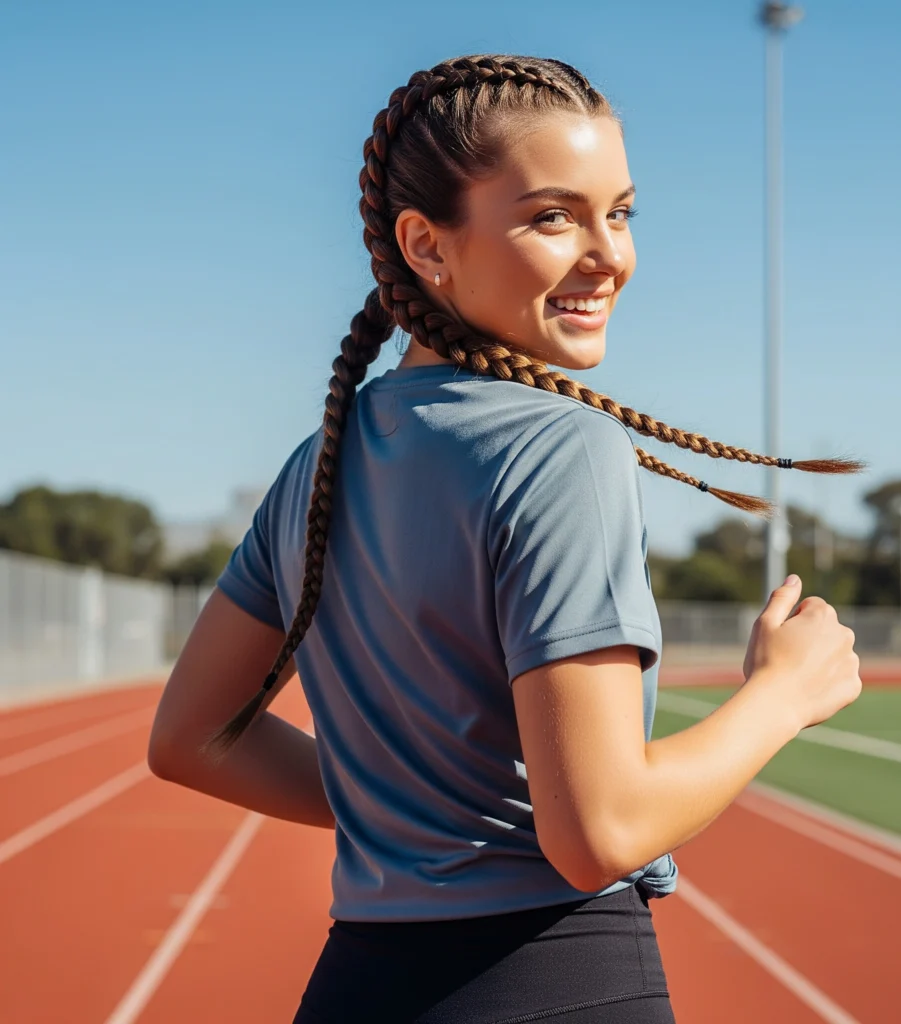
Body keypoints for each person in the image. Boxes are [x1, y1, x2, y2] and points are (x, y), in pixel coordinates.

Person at [147, 54, 863, 1023]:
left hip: (355, 986)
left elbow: (190, 739)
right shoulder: (561, 448)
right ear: (425, 245)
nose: (609, 253)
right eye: (553, 216)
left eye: (622, 212)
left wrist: (407, 814)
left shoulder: (321, 460)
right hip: (554, 983)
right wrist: (784, 692)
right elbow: (599, 829)